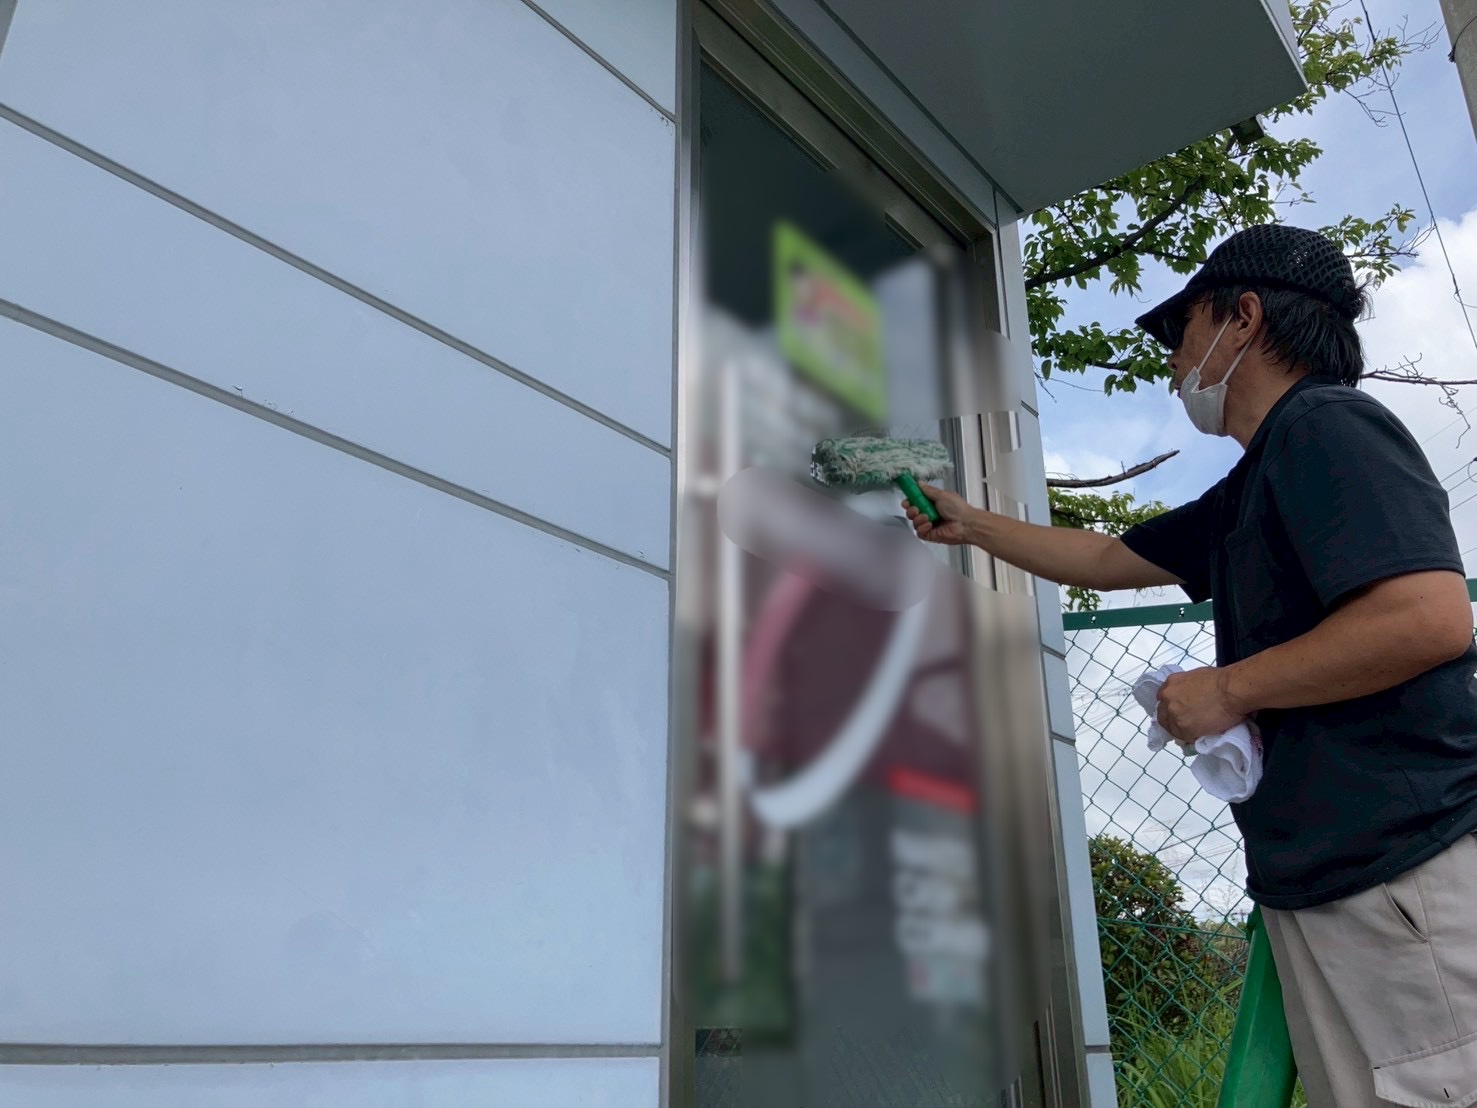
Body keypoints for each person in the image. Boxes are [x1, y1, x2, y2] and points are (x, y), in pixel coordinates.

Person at [905, 224, 1477, 1107]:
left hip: (1406, 878)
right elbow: (1106, 559)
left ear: (1242, 318)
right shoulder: (1254, 481)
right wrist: (969, 523)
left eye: (1182, 331)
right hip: (1332, 884)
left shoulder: (1328, 426)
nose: (1173, 361)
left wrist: (1227, 689)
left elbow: (1425, 617)